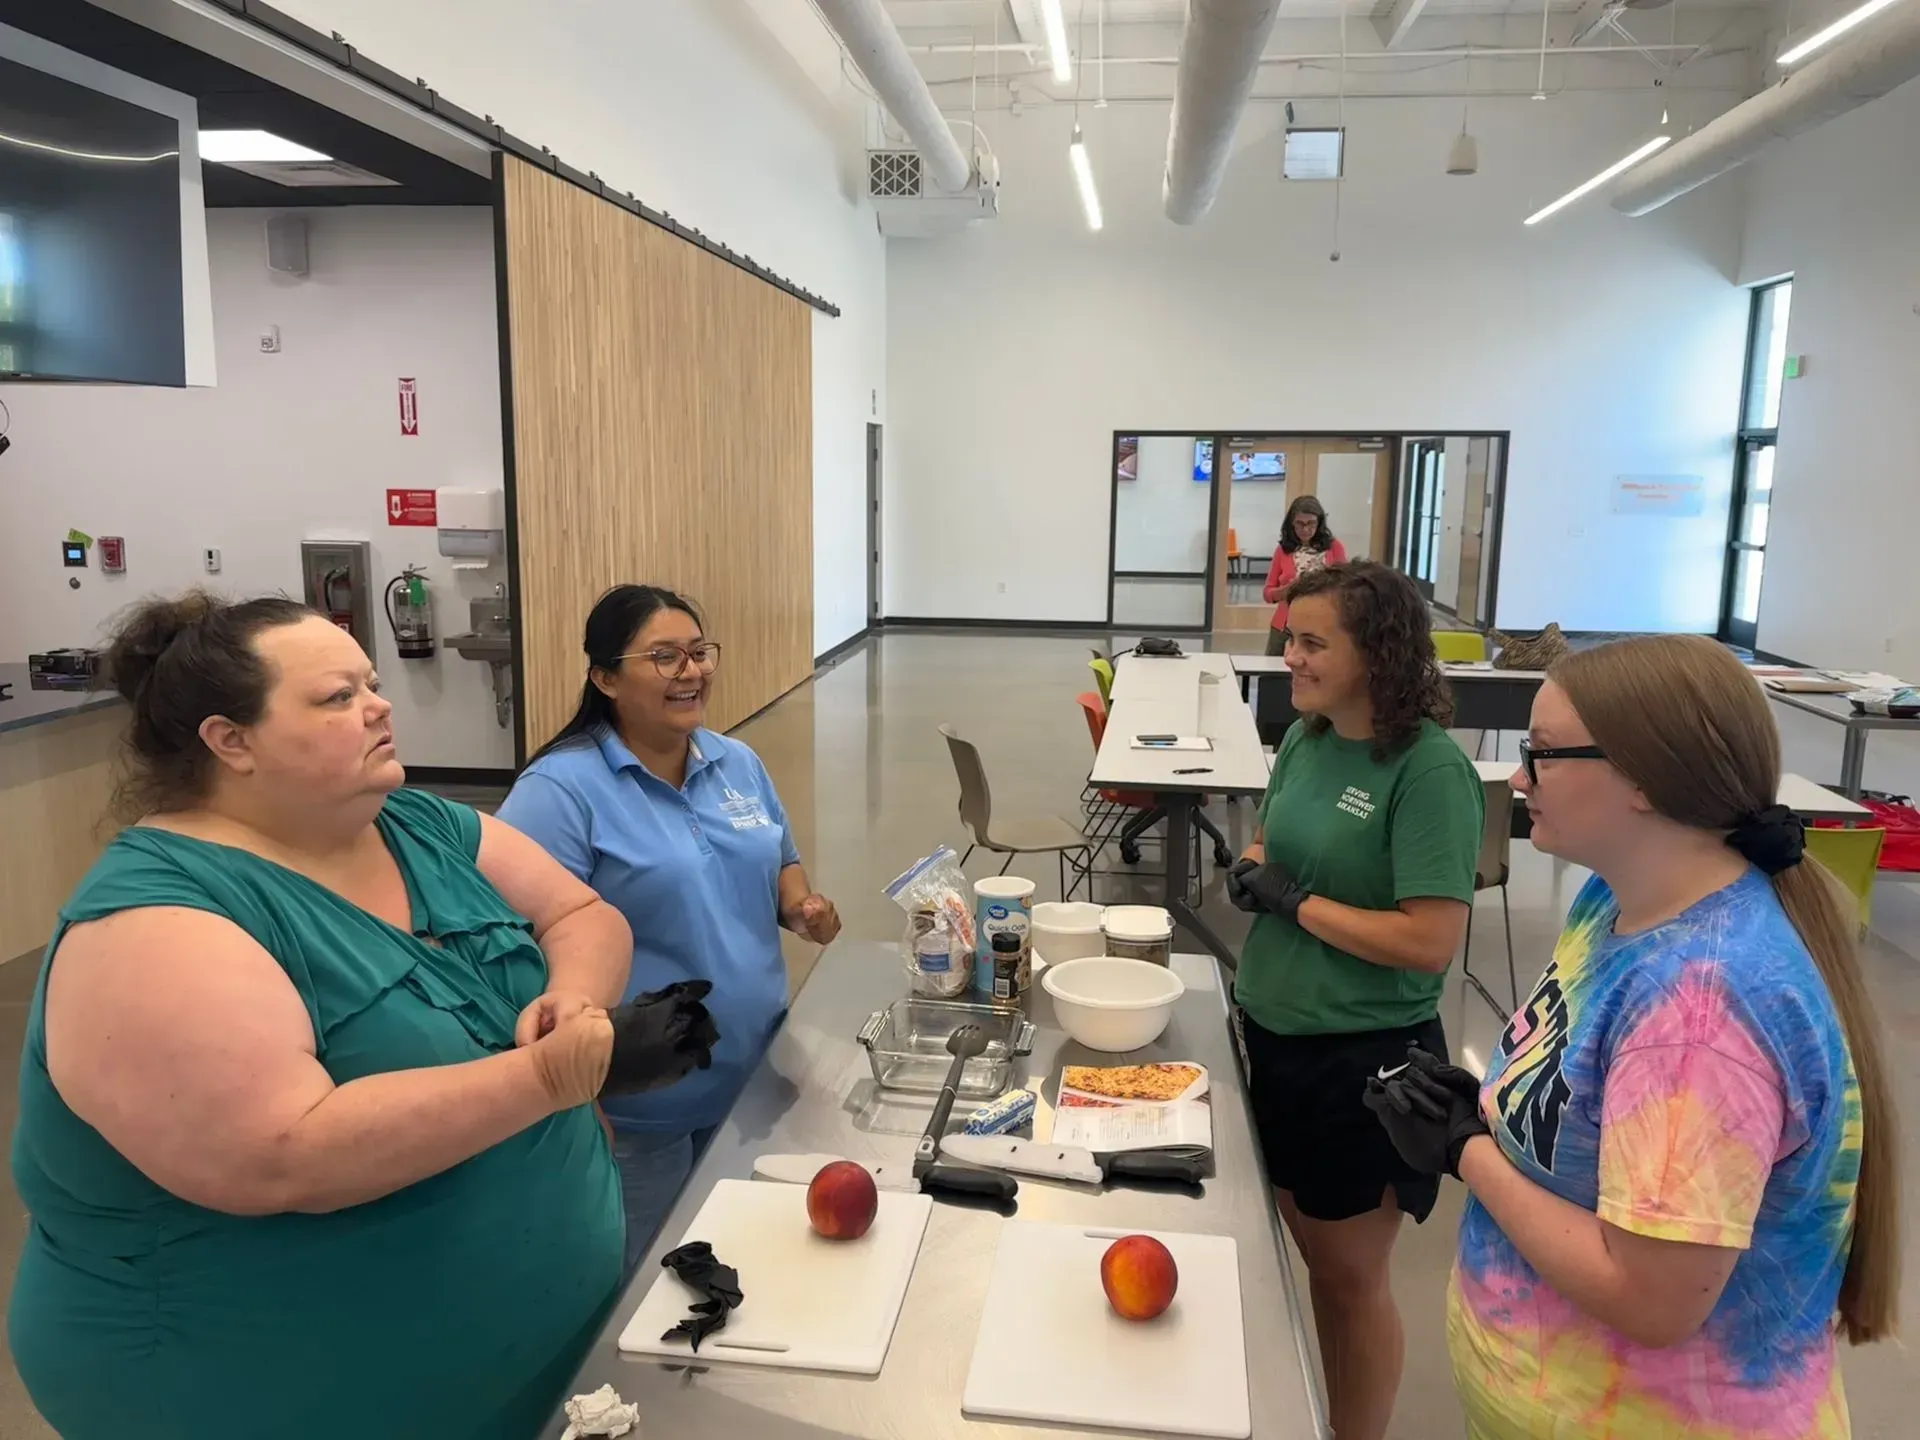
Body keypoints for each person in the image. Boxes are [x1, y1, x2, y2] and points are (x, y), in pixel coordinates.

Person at [6, 592, 670, 1440]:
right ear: (229, 740)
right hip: (251, 1395)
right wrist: (544, 1077)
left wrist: (572, 997)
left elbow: (582, 916)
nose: (379, 705)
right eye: (336, 697)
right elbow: (284, 1158)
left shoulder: (414, 825)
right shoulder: (156, 926)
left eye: (370, 683)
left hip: (516, 1365)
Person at [1364, 634, 1900, 1440]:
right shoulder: (1613, 905)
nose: (1517, 778)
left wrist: (1464, 1149)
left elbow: (1651, 1299)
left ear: (1644, 778)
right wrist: (1486, 1110)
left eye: (1540, 753)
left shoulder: (1702, 1009)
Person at [498, 584, 842, 1275]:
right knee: (639, 1290)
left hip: (754, 1082)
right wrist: (568, 1080)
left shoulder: (734, 762)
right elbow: (509, 945)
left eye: (698, 652)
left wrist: (804, 909)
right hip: (638, 1107)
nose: (691, 671)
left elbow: (780, 862)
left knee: (745, 1265)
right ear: (605, 677)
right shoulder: (560, 792)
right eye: (663, 657)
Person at [1226, 560, 1484, 1440]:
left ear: (1375, 653)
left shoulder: (1429, 770)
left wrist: (1296, 901)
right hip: (1277, 1036)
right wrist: (1257, 866)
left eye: (1310, 642)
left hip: (1362, 1058)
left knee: (1348, 1277)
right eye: (1288, 638)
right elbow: (1274, 832)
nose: (1288, 657)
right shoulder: (1307, 735)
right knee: (1306, 1253)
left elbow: (1428, 939)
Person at [1261, 494, 1347, 656]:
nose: (1305, 529)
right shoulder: (1283, 550)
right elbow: (1268, 593)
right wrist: (1287, 590)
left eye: (1311, 524)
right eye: (1300, 524)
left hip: (1322, 624)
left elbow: (1345, 585)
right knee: (1273, 676)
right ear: (1291, 524)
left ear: (1319, 523)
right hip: (1285, 626)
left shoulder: (1334, 547)